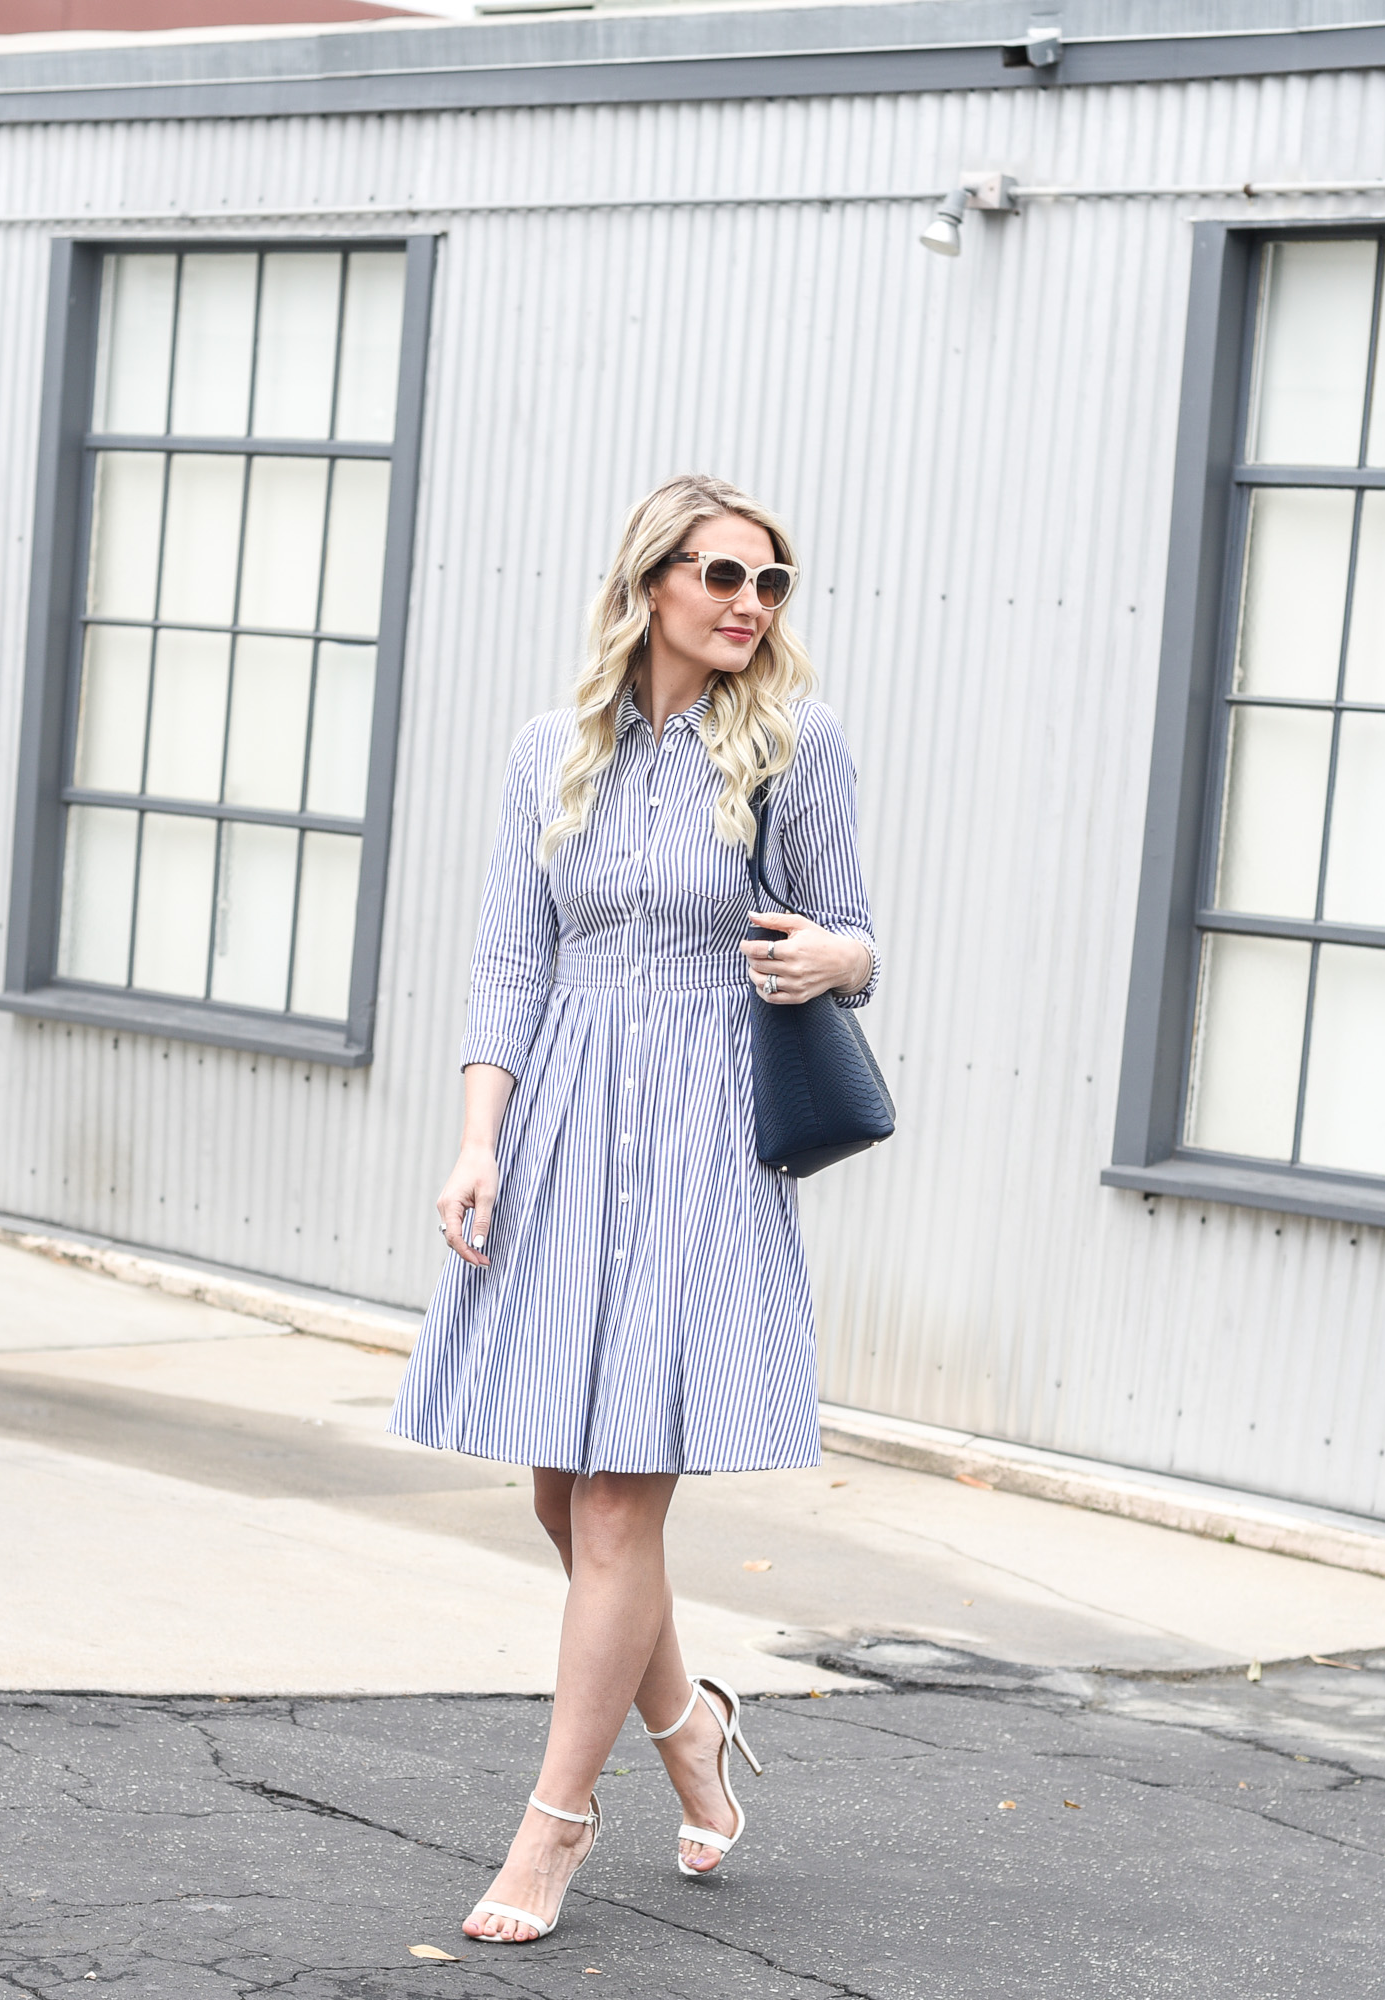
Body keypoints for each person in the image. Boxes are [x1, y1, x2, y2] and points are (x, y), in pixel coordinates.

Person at [388, 473, 881, 1945]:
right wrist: (478, 1143)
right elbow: (504, 970)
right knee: (560, 1488)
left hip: (703, 1137)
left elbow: (861, 941)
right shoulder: (551, 751)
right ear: (652, 581)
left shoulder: (796, 744)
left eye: (773, 583)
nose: (751, 604)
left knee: (615, 1497)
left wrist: (826, 960)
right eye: (725, 574)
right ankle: (689, 1724)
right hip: (558, 1125)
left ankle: (553, 1827)